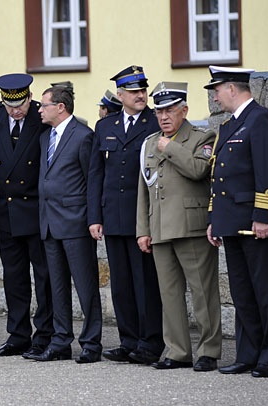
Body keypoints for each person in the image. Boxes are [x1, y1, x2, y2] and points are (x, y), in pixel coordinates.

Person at [204, 66, 268, 378]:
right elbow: (219, 178)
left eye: (217, 89)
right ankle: (248, 354)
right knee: (242, 293)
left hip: (255, 223)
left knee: (265, 293)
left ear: (233, 89)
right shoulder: (229, 126)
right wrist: (215, 220)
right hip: (231, 222)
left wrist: (264, 216)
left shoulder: (260, 119)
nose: (214, 96)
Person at [136, 81, 222, 371]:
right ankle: (177, 351)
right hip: (160, 229)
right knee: (169, 294)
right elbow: (143, 191)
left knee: (202, 292)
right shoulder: (149, 142)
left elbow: (199, 170)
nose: (163, 116)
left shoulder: (202, 136)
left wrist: (170, 148)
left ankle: (209, 350)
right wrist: (143, 230)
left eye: (170, 110)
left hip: (190, 227)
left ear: (184, 110)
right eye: (159, 111)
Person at [87, 65, 164, 365]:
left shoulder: (154, 122)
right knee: (120, 284)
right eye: (133, 92)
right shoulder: (105, 126)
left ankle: (150, 341)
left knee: (145, 281)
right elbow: (96, 175)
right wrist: (95, 216)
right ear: (120, 95)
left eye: (143, 90)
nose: (141, 95)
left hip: (142, 216)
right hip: (113, 216)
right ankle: (128, 339)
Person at [24, 85, 102, 363]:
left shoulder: (83, 137)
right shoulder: (46, 137)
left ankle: (91, 343)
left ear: (60, 107)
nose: (39, 110)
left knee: (85, 286)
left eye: (43, 105)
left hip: (75, 222)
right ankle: (60, 341)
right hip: (49, 222)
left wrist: (93, 219)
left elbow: (91, 180)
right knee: (56, 287)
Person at [0, 73, 53, 358]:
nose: (15, 111)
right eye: (10, 105)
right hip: (7, 209)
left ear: (30, 97)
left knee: (44, 276)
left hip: (35, 209)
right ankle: (18, 334)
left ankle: (45, 333)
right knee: (14, 277)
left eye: (20, 104)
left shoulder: (40, 117)